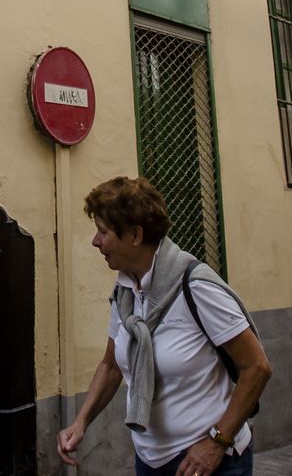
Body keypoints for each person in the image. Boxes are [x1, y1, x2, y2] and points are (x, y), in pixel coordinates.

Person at [58, 177, 272, 476]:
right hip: (150, 459)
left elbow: (257, 367)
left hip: (209, 463)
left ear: (135, 235)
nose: (96, 241)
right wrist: (80, 422)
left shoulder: (195, 287)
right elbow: (110, 366)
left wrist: (216, 443)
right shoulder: (126, 293)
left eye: (103, 232)